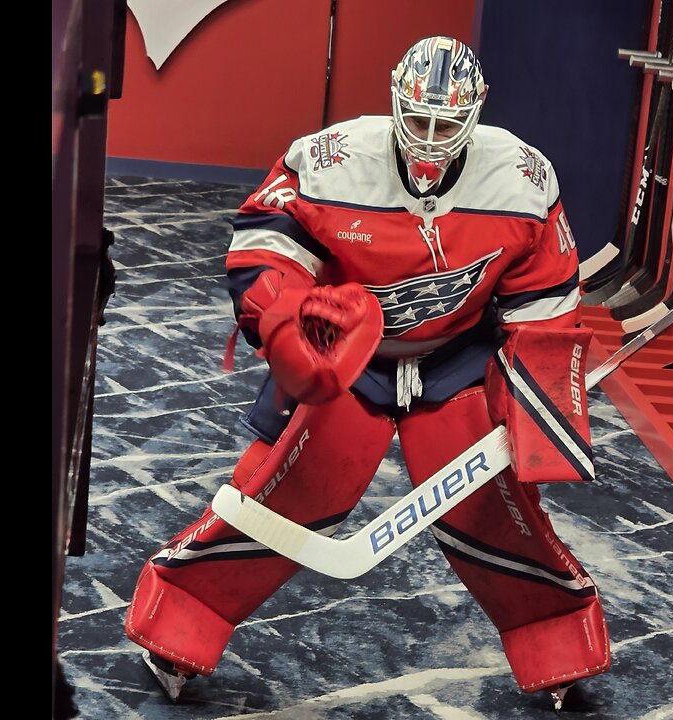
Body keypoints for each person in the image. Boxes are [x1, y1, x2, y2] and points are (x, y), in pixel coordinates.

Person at [122, 35, 609, 712]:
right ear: (393, 101)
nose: (430, 140)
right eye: (417, 120)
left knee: (493, 514)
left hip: (454, 362)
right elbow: (263, 238)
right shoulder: (331, 158)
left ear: (479, 112)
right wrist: (284, 315)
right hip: (349, 361)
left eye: (447, 124)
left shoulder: (523, 178)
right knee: (281, 498)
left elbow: (545, 307)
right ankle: (176, 627)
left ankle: (558, 645)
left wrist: (545, 408)